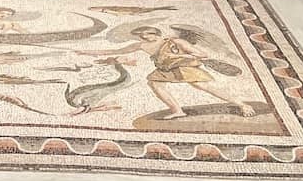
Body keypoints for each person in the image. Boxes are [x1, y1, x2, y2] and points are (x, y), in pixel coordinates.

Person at [77, 26, 255, 120]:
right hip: (165, 69)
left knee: (203, 86)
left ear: (155, 32)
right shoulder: (141, 46)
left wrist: (181, 54)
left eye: (147, 34)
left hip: (183, 65)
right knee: (154, 83)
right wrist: (87, 53)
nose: (145, 37)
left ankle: (242, 104)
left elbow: (202, 54)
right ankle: (177, 110)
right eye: (142, 35)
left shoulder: (174, 41)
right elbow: (118, 51)